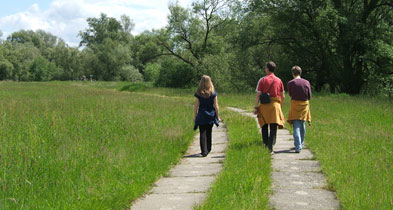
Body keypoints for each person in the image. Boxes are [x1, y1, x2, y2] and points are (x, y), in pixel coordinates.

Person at [254, 61, 285, 155]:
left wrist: (256, 107)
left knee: (264, 126)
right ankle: (270, 147)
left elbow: (258, 95)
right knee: (273, 127)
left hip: (264, 106)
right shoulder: (279, 80)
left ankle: (265, 144)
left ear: (267, 69)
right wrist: (280, 106)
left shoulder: (262, 80)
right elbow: (282, 95)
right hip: (275, 105)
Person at [193, 75, 222, 157]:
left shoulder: (199, 93)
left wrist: (195, 116)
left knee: (202, 132)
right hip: (211, 115)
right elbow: (216, 106)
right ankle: (208, 148)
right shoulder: (213, 93)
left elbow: (196, 106)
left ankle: (204, 151)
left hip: (201, 114)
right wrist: (218, 116)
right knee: (209, 132)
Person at [287, 66, 312, 153]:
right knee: (303, 125)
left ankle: (298, 146)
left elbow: (290, 94)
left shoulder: (290, 83)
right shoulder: (306, 82)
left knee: (296, 126)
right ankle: (301, 143)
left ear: (293, 73)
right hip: (304, 106)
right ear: (300, 73)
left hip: (295, 105)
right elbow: (309, 95)